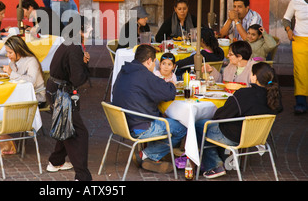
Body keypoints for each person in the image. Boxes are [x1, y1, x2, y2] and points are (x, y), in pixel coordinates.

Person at [195, 62, 282, 179]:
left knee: (200, 125)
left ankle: (214, 165)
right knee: (217, 126)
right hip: (258, 137)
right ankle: (224, 160)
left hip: (235, 137)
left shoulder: (244, 93)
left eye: (251, 73)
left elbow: (222, 114)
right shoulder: (274, 96)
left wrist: (214, 116)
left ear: (255, 77)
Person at [112, 44, 187, 174]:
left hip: (122, 123)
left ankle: (153, 159)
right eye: (154, 63)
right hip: (139, 126)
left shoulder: (124, 70)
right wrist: (171, 84)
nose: (154, 66)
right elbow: (169, 93)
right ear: (149, 61)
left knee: (164, 118)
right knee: (182, 128)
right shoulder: (144, 75)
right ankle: (147, 155)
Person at [45, 15, 92, 181]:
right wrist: (84, 64)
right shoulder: (73, 47)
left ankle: (55, 161)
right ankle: (82, 175)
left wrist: (82, 61)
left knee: (65, 127)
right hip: (60, 93)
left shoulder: (70, 42)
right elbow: (78, 79)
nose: (90, 30)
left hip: (56, 90)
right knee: (78, 133)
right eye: (88, 28)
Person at [282, 0, 308, 114]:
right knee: (301, 70)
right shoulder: (295, 1)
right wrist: (288, 30)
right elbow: (286, 18)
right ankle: (301, 102)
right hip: (300, 39)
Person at [1, 35, 45, 106]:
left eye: (10, 52)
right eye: (7, 52)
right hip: (22, 95)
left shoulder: (31, 61)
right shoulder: (13, 61)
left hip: (36, 97)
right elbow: (11, 76)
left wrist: (11, 73)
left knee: (5, 103)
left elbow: (32, 82)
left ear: (18, 51)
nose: (8, 55)